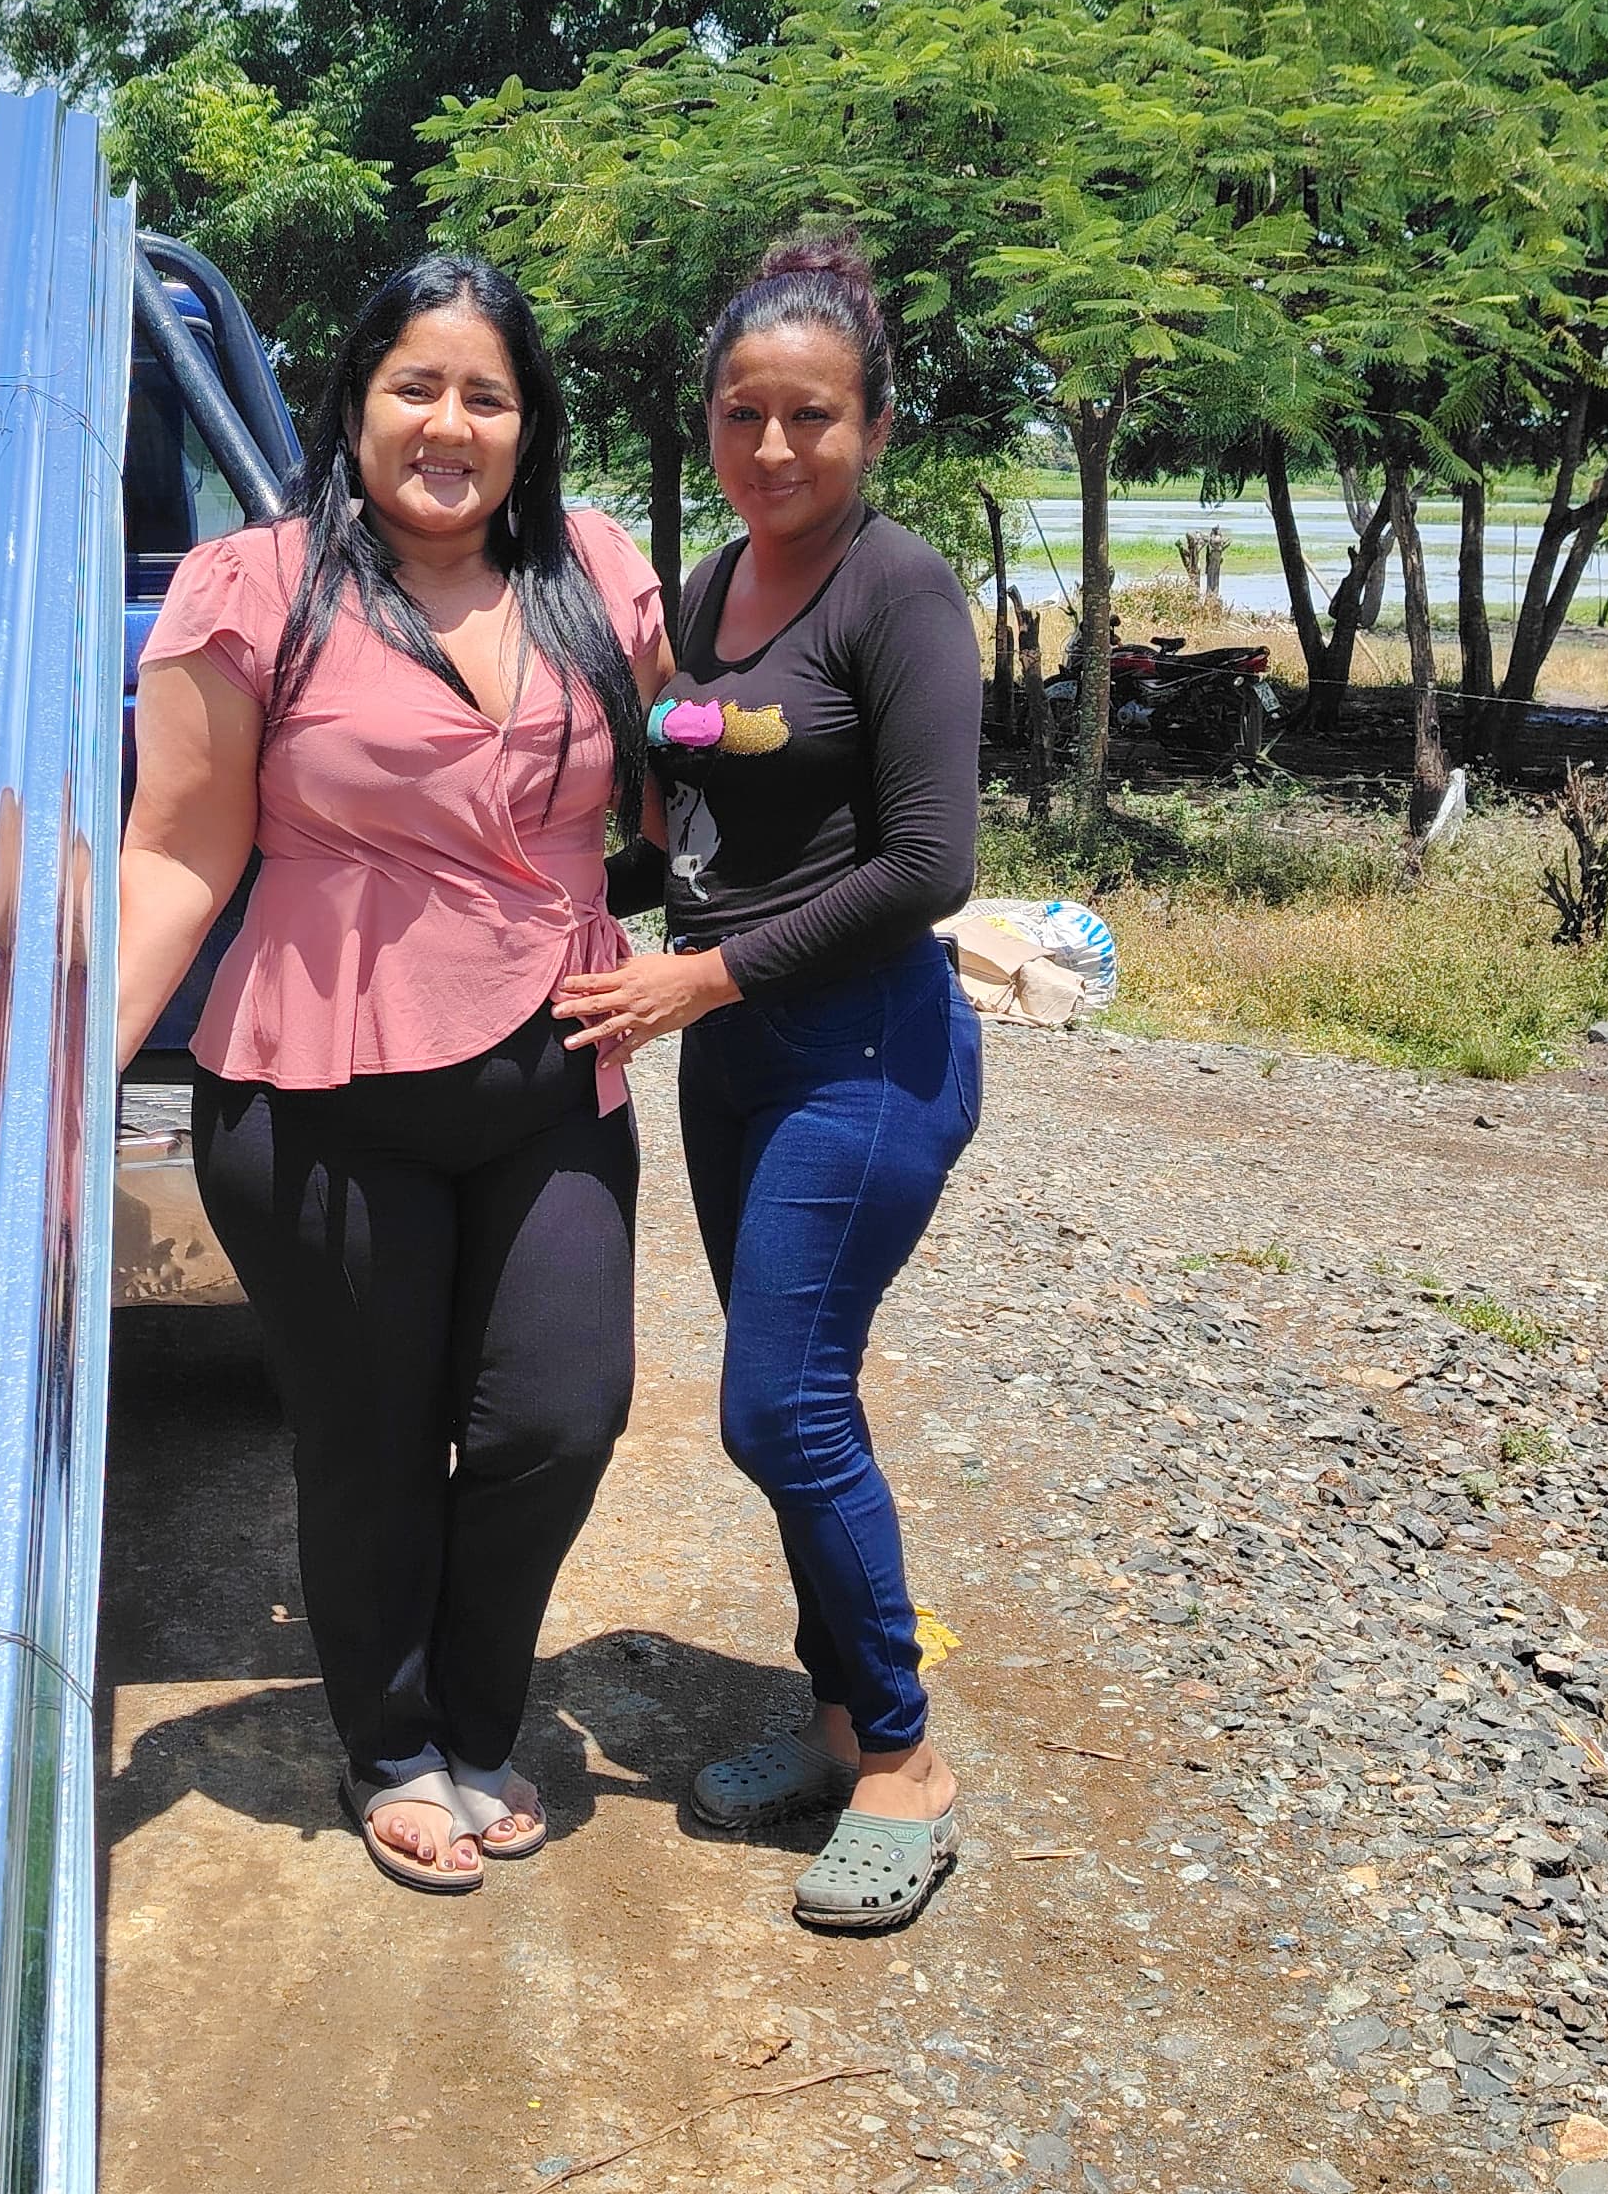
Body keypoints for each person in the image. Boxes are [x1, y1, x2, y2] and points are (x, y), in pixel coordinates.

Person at [115, 254, 672, 1894]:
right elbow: (175, 854)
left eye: (486, 395)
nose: (449, 424)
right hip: (320, 1092)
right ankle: (396, 1743)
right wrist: (62, 1069)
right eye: (414, 387)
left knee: (559, 1417)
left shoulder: (596, 572)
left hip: (554, 1071)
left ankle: (480, 1710)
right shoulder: (254, 587)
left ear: (528, 423)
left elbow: (680, 796)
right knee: (371, 1442)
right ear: (355, 404)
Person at [557, 236, 982, 1935]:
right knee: (806, 1399)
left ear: (873, 426)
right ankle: (835, 1717)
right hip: (735, 1054)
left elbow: (931, 866)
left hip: (863, 1052)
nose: (776, 446)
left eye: (813, 416)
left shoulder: (900, 592)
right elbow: (700, 838)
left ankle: (905, 1763)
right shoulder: (711, 584)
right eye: (745, 414)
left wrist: (705, 977)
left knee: (775, 1409)